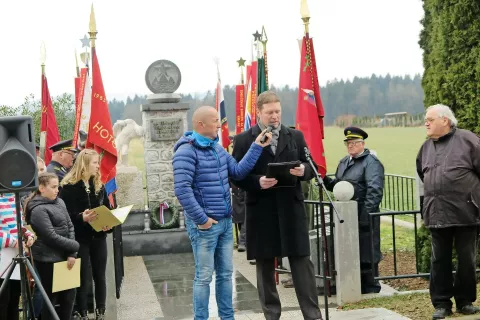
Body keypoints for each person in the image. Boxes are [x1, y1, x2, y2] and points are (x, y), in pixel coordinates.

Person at [173, 105, 272, 320]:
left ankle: (227, 317)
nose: (220, 124)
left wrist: (256, 147)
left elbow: (237, 172)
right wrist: (202, 220)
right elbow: (182, 190)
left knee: (226, 275)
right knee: (203, 277)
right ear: (201, 124)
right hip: (204, 226)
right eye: (216, 120)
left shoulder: (216, 148)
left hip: (225, 224)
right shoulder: (185, 151)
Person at [232, 91, 322, 320]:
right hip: (261, 210)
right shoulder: (244, 140)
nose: (274, 116)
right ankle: (271, 316)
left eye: (278, 111)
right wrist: (257, 182)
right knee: (264, 267)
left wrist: (304, 171)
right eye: (270, 112)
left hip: (291, 209)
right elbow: (236, 176)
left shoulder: (295, 136)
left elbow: (311, 166)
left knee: (302, 263)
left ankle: (312, 316)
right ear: (259, 112)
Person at [416, 104, 480, 319]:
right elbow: (422, 176)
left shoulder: (467, 140)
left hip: (466, 212)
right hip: (437, 213)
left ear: (445, 120)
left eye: (430, 119)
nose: (426, 122)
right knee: (439, 260)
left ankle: (465, 301)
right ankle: (442, 303)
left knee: (466, 260)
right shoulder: (425, 148)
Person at [323, 127, 384, 294]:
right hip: (345, 214)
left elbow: (375, 190)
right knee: (349, 250)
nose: (350, 146)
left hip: (363, 213)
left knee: (367, 250)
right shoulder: (344, 162)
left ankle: (370, 287)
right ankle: (352, 283)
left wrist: (366, 215)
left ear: (362, 144)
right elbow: (339, 185)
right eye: (348, 143)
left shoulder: (371, 162)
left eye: (354, 143)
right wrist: (324, 179)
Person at [59, 149, 112, 320]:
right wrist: (82, 217)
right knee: (82, 276)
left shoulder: (99, 185)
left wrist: (107, 225)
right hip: (79, 239)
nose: (98, 166)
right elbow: (65, 217)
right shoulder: (68, 188)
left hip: (99, 237)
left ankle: (101, 311)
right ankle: (82, 312)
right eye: (95, 163)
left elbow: (107, 210)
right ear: (85, 164)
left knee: (100, 275)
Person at [25, 172, 79, 320]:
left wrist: (71, 253)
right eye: (53, 187)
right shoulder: (37, 209)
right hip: (47, 259)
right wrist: (75, 246)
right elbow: (50, 236)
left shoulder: (60, 202)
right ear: (42, 188)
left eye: (57, 187)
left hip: (65, 256)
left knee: (69, 297)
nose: (57, 190)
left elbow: (70, 227)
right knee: (51, 299)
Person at [0, 193, 35, 320]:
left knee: (15, 298)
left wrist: (28, 235)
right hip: (2, 255)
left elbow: (19, 225)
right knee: (3, 300)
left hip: (15, 254)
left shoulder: (14, 197)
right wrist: (14, 241)